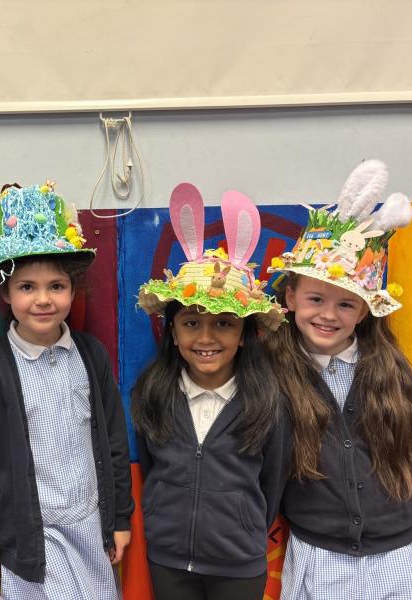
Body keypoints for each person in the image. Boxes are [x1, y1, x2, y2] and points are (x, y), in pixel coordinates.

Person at [265, 160, 412, 599]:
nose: (328, 315)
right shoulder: (273, 373)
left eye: (346, 304)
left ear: (364, 311)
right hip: (319, 557)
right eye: (315, 299)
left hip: (396, 558)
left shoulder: (391, 371)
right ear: (290, 297)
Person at [0, 182, 133, 600]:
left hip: (91, 529)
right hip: (33, 542)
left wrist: (120, 517)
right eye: (26, 287)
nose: (43, 299)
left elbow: (113, 440)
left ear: (72, 288)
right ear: (5, 292)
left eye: (56, 285)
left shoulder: (90, 355)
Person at [133, 186, 290, 600]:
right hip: (168, 560)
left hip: (239, 565)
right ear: (172, 332)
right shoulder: (153, 394)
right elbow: (150, 468)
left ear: (244, 335)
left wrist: (243, 527)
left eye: (223, 323)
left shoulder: (267, 402)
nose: (206, 338)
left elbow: (272, 484)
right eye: (191, 323)